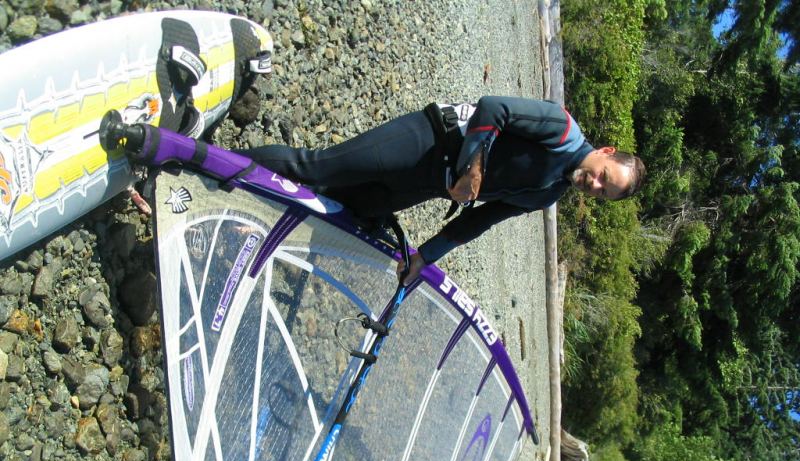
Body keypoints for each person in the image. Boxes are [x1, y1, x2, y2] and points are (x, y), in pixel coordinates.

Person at [236, 96, 646, 283]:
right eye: (602, 177)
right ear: (606, 153)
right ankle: (209, 159)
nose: (593, 185)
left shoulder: (548, 194)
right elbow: (492, 109)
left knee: (355, 211)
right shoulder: (560, 129)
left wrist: (424, 257)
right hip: (428, 138)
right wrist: (474, 167)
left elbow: (483, 218)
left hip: (428, 184)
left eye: (600, 193)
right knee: (317, 169)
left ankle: (251, 215)